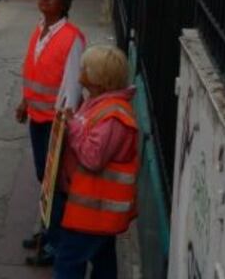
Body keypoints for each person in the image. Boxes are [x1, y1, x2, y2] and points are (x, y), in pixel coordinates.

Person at [16, 0, 86, 267]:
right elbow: (35, 70)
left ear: (64, 4)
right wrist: (25, 102)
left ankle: (55, 242)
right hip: (37, 117)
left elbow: (72, 87)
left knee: (54, 183)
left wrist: (64, 125)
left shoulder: (72, 38)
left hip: (55, 124)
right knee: (44, 178)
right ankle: (47, 231)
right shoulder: (39, 29)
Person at [52, 45, 138, 279]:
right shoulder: (98, 102)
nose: (79, 74)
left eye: (84, 70)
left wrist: (73, 127)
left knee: (68, 261)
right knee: (102, 259)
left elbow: (92, 157)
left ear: (98, 79)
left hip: (93, 210)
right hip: (95, 208)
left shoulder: (114, 116)